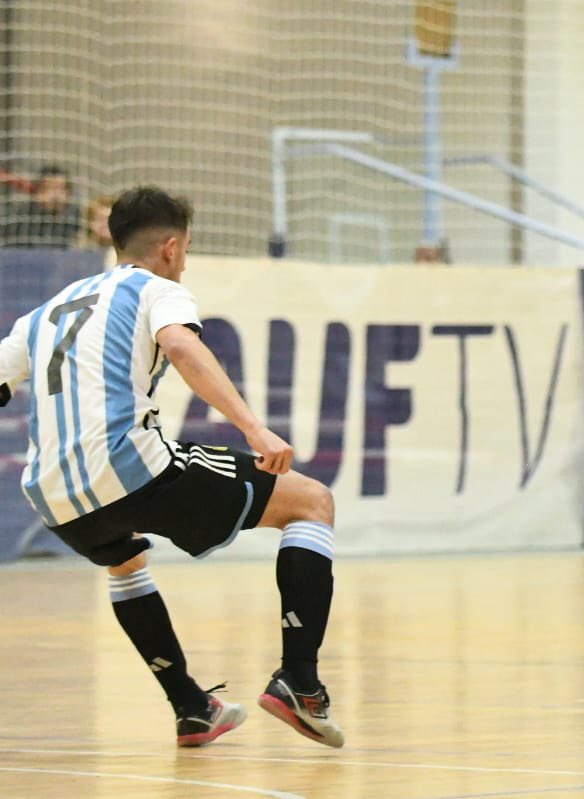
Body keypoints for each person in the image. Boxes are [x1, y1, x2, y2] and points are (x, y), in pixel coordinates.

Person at [0, 186, 344, 748]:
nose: (183, 261)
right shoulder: (156, 289)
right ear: (169, 245)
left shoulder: (47, 311)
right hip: (128, 465)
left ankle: (192, 706)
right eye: (185, 250)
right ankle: (299, 683)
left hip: (52, 494)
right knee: (311, 502)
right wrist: (253, 429)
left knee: (125, 562)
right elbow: (181, 347)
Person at [0, 164, 81, 248]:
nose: (56, 195)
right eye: (50, 188)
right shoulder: (19, 218)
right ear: (38, 192)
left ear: (68, 193)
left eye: (61, 188)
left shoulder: (76, 218)